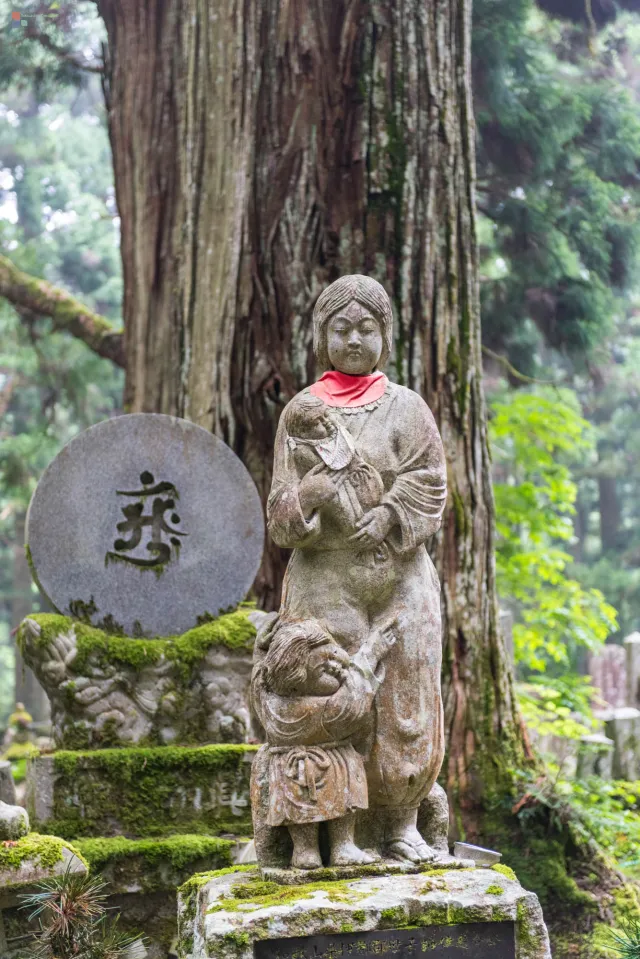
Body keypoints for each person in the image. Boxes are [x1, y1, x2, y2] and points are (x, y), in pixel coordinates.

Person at [265, 274, 447, 863]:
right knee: (330, 699)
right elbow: (280, 514)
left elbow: (432, 483)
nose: (353, 340)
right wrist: (313, 493)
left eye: (367, 329)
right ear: (322, 337)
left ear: (385, 337)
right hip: (325, 580)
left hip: (399, 577)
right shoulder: (302, 412)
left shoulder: (409, 409)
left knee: (406, 703)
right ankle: (324, 832)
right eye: (341, 329)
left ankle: (401, 822)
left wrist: (392, 512)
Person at [251, 617, 397, 869]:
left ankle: (305, 852)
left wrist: (261, 649)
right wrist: (371, 652)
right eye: (324, 671)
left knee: (299, 810)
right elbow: (355, 696)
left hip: (288, 770)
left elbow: (258, 678)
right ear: (298, 683)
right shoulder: (327, 710)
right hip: (334, 766)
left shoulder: (270, 704)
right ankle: (342, 846)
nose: (336, 666)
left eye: (333, 654)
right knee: (340, 801)